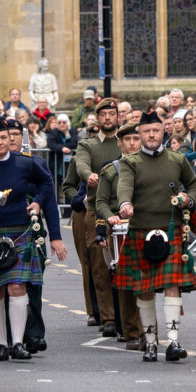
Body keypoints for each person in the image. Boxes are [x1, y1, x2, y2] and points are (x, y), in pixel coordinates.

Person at [116, 111, 196, 362]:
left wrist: (189, 198)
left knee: (171, 285)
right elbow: (125, 185)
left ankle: (173, 342)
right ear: (140, 134)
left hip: (171, 231)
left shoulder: (177, 160)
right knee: (144, 290)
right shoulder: (130, 162)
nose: (151, 135)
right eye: (146, 131)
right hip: (141, 231)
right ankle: (152, 343)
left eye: (155, 130)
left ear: (163, 132)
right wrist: (124, 203)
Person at [0, 117, 55, 362]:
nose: (0, 142)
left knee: (17, 286)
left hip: (20, 231)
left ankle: (18, 343)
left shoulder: (25, 164)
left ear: (11, 139)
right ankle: (1, 344)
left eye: (4, 137)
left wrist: (37, 201)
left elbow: (46, 182)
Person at [7, 119, 67, 354]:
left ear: (24, 138)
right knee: (7, 285)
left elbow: (50, 201)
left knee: (34, 283)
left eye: (15, 134)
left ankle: (34, 334)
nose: (11, 139)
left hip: (33, 231)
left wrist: (56, 236)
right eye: (7, 134)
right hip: (3, 229)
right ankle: (8, 335)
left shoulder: (37, 163)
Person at [73, 98, 120, 337]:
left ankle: (126, 315)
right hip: (96, 209)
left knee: (125, 263)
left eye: (112, 113)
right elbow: (81, 164)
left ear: (117, 116)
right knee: (101, 266)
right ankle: (108, 317)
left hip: (124, 210)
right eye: (104, 115)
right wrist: (89, 175)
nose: (108, 118)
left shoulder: (125, 142)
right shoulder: (88, 145)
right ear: (98, 118)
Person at [95, 123, 144, 350]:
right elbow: (101, 202)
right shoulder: (110, 169)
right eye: (128, 139)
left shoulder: (151, 166)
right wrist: (109, 219)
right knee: (125, 281)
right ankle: (132, 332)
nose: (133, 143)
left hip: (146, 226)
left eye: (136, 138)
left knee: (147, 281)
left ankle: (147, 329)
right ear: (120, 142)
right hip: (118, 228)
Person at [47, 114, 78, 189]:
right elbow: (51, 144)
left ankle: (69, 201)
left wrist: (66, 137)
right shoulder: (54, 132)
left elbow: (74, 143)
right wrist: (62, 148)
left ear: (68, 123)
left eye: (64, 122)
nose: (61, 124)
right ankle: (56, 201)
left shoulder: (72, 131)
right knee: (55, 186)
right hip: (57, 163)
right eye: (59, 122)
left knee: (69, 185)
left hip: (70, 164)